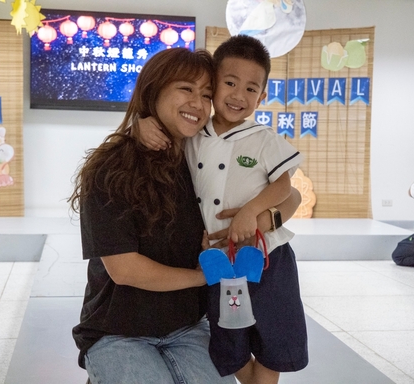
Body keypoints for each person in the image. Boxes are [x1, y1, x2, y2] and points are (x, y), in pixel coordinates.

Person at [68, 47, 302, 384]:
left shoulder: (193, 153)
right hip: (117, 330)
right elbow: (124, 269)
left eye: (206, 93)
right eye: (186, 89)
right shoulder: (112, 168)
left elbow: (290, 194)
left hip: (187, 327)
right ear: (154, 89)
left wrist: (258, 219)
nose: (198, 103)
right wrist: (206, 275)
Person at [138, 35, 308, 384]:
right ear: (212, 85)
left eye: (251, 89)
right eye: (230, 83)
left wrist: (250, 212)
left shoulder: (263, 138)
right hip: (219, 260)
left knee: (273, 339)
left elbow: (284, 186)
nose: (238, 95)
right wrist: (139, 122)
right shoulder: (193, 134)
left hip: (268, 257)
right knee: (228, 345)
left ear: (262, 96)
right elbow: (157, 127)